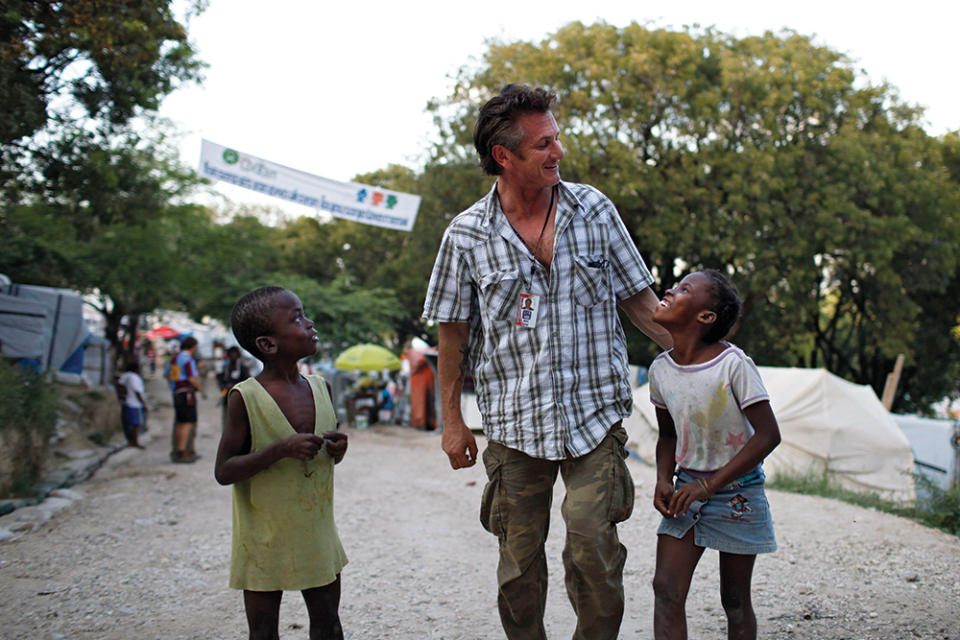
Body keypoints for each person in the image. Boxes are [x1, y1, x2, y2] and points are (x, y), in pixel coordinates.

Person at [421, 84, 673, 640]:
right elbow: (452, 333)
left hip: (593, 417)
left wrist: (706, 364)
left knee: (592, 547)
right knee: (518, 564)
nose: (558, 151)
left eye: (557, 137)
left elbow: (642, 304)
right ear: (503, 156)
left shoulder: (595, 211)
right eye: (543, 144)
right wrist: (452, 422)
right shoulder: (466, 235)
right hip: (514, 423)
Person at [647, 270, 781, 640]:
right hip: (687, 489)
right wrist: (663, 477)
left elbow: (769, 435)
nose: (670, 290)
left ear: (705, 317)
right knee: (665, 590)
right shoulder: (661, 370)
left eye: (685, 289)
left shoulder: (733, 365)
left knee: (734, 600)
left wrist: (711, 485)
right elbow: (668, 434)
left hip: (738, 491)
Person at [214, 286, 348, 640]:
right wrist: (279, 449)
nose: (309, 323)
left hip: (315, 532)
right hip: (263, 538)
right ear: (268, 344)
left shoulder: (321, 388)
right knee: (262, 632)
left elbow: (328, 446)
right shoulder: (246, 397)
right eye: (297, 318)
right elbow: (224, 471)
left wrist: (337, 449)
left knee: (328, 624)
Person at [171, 336, 201, 463]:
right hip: (186, 394)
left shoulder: (175, 358)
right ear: (193, 346)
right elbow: (191, 378)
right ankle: (183, 451)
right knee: (187, 423)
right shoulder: (188, 359)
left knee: (179, 422)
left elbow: (171, 375)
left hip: (177, 392)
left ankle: (178, 450)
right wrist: (199, 388)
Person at [217, 346, 251, 428]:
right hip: (227, 398)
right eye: (230, 353)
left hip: (240, 399)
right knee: (226, 421)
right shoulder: (226, 368)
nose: (231, 355)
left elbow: (247, 382)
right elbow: (221, 381)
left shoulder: (243, 368)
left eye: (233, 353)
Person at [117, 361, 147, 448]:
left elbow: (119, 384)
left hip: (127, 402)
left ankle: (131, 441)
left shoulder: (126, 375)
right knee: (135, 424)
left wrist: (122, 395)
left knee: (128, 424)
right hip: (135, 403)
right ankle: (134, 442)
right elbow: (137, 392)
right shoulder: (135, 377)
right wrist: (143, 404)